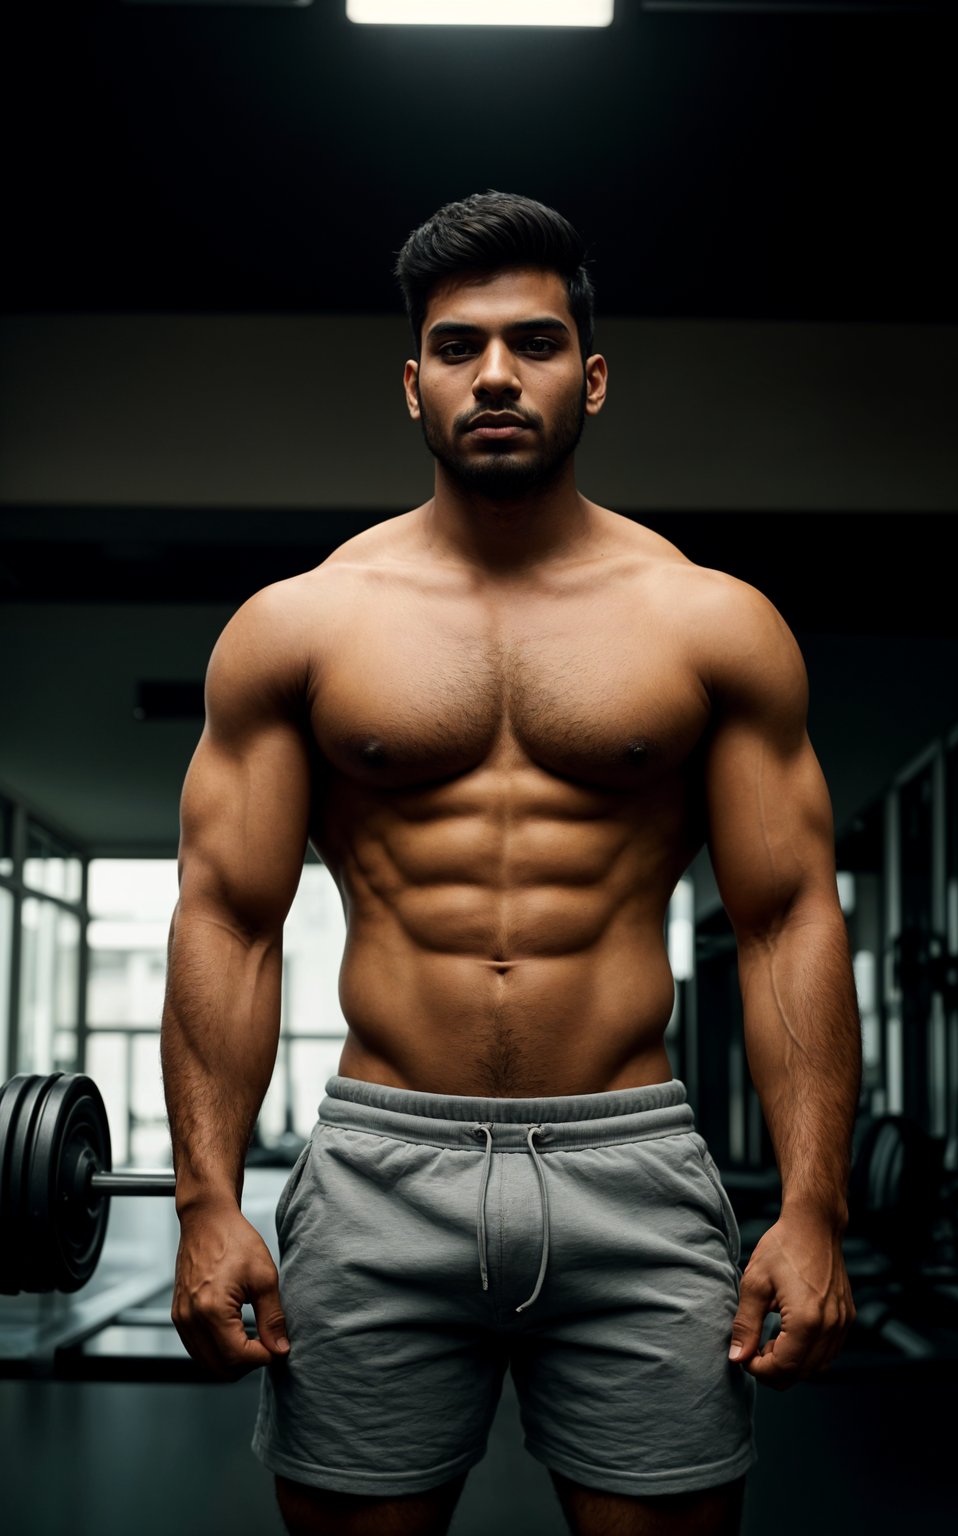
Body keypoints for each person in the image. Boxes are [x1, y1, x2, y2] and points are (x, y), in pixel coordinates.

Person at [161, 190, 862, 1536]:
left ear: (591, 380)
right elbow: (227, 923)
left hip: (633, 1164)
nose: (495, 374)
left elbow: (786, 921)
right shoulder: (298, 626)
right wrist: (208, 1204)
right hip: (380, 1167)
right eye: (457, 345)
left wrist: (816, 1212)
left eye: (535, 342)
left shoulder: (710, 622)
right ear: (410, 382)